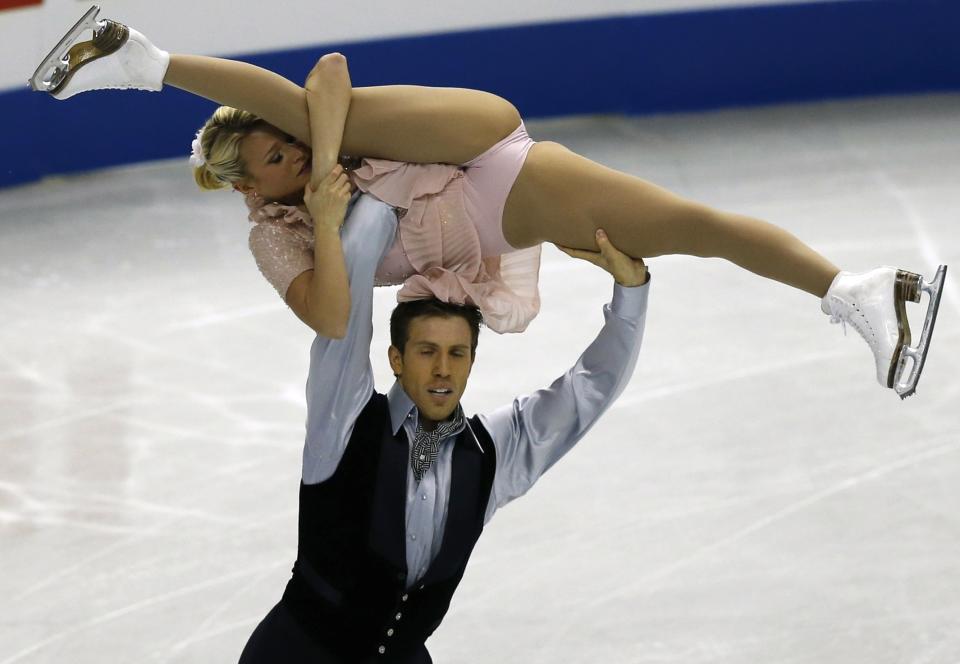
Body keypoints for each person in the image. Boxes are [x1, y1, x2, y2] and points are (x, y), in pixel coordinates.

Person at [30, 7, 946, 398]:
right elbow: (328, 316)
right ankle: (869, 293)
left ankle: (137, 58)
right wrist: (318, 211)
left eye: (285, 143)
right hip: (498, 192)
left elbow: (328, 78)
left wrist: (323, 158)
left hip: (472, 151)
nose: (291, 155)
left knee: (326, 112)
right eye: (274, 159)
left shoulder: (328, 133)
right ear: (245, 186)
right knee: (688, 229)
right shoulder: (280, 240)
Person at [229, 147, 652, 660]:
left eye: (457, 354)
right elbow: (350, 301)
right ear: (396, 359)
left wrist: (631, 291)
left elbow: (588, 391)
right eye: (426, 351)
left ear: (472, 361)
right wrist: (387, 188)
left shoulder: (493, 452)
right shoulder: (342, 422)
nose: (442, 368)